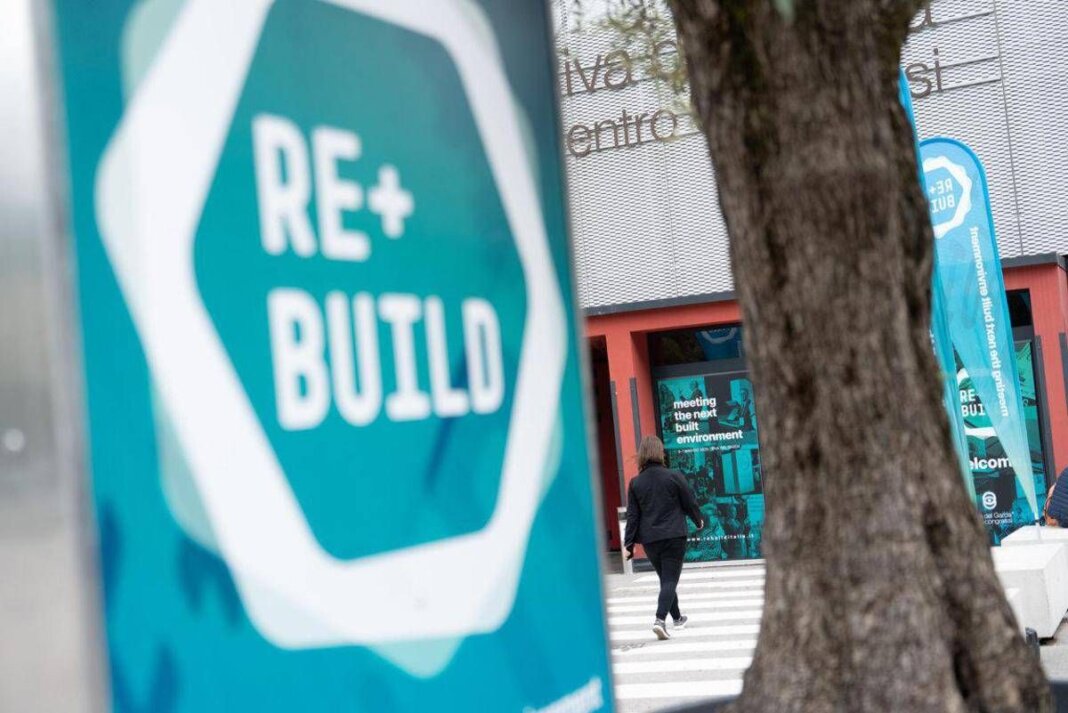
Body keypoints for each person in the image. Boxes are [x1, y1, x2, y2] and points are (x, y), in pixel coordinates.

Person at [624, 435, 704, 640]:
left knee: (666, 579)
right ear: (660, 453)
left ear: (642, 455)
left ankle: (677, 618)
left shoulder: (635, 483)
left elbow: (633, 516)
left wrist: (628, 543)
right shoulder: (674, 476)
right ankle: (660, 620)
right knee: (669, 580)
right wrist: (698, 521)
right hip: (674, 536)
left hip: (650, 540)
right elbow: (689, 502)